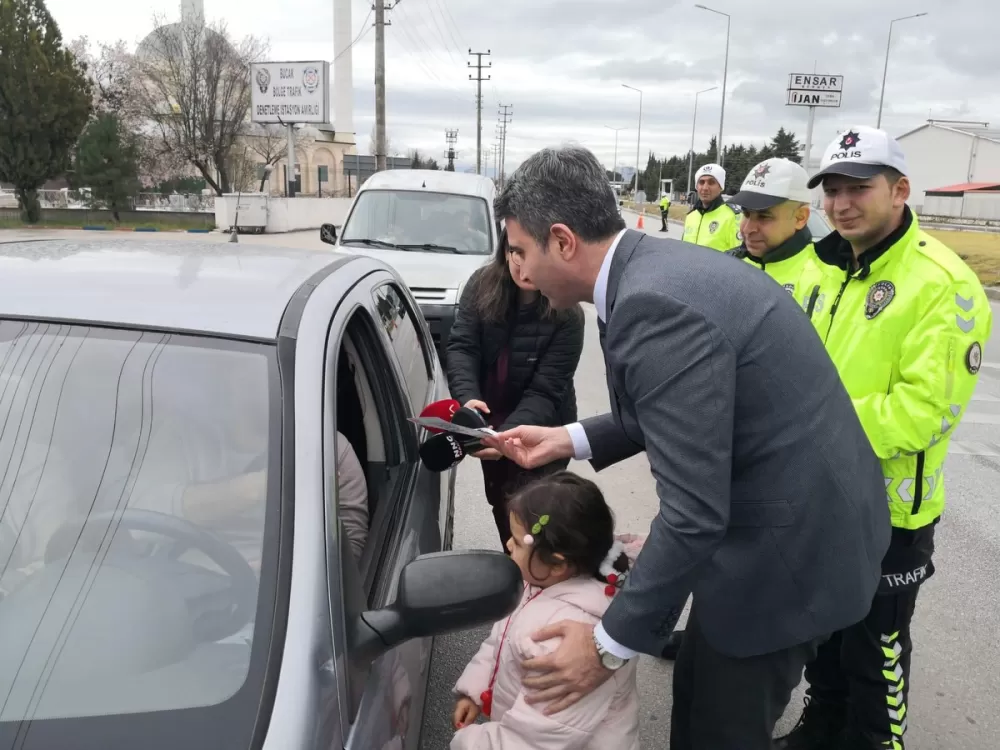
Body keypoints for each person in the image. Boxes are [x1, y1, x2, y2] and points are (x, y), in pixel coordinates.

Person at [481, 145, 890, 750]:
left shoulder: (654, 304)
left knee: (716, 731)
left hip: (785, 561)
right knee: (698, 699)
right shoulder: (650, 270)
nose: (518, 268)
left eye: (520, 250)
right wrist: (567, 438)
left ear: (562, 241)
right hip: (772, 533)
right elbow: (677, 408)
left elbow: (693, 514)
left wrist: (605, 648)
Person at [776, 126, 993, 750]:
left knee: (876, 652)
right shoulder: (824, 268)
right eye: (831, 191)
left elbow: (923, 413)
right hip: (819, 494)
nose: (841, 204)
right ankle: (822, 729)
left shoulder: (943, 282)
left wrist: (807, 420)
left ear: (899, 190)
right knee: (825, 635)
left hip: (890, 512)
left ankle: (874, 741)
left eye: (858, 188)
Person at [450, 472, 640, 749]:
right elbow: (500, 639)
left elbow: (532, 740)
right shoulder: (537, 583)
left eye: (517, 541)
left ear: (557, 564)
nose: (508, 544)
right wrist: (476, 689)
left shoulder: (559, 645)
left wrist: (468, 742)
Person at [446, 229, 585, 549]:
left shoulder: (567, 313)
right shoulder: (481, 286)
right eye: (516, 253)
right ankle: (517, 566)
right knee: (501, 504)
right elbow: (462, 347)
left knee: (535, 517)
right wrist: (468, 399)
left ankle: (540, 571)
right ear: (505, 252)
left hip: (542, 429)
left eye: (532, 253)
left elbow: (546, 391)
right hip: (489, 421)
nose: (524, 267)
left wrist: (506, 439)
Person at [726, 157, 825, 309]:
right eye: (746, 214)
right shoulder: (729, 264)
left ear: (800, 218)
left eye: (764, 216)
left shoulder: (827, 278)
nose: (747, 229)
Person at [681, 163, 742, 250]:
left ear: (720, 187)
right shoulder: (691, 216)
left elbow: (740, 256)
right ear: (697, 187)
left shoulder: (733, 217)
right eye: (701, 182)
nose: (705, 188)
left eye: (711, 182)